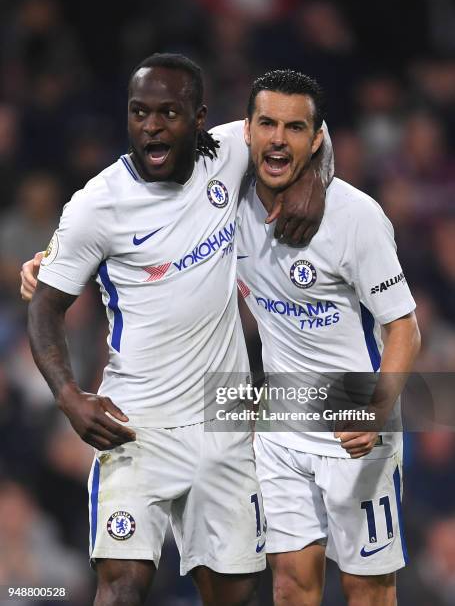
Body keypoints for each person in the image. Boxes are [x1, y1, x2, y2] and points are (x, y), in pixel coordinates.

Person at [23, 54, 333, 606]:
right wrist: (68, 396)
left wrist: (314, 176)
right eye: (139, 112)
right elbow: (45, 306)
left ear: (199, 118)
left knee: (233, 592)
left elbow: (307, 131)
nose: (151, 125)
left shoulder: (230, 150)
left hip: (225, 418)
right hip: (136, 421)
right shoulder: (97, 205)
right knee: (122, 586)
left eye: (169, 113)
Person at [235, 70, 421, 605]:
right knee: (291, 585)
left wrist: (377, 410)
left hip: (353, 418)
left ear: (317, 140)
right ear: (246, 130)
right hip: (281, 413)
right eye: (267, 123)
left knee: (367, 589)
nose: (278, 138)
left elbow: (404, 328)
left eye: (296, 128)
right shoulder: (229, 202)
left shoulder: (357, 217)